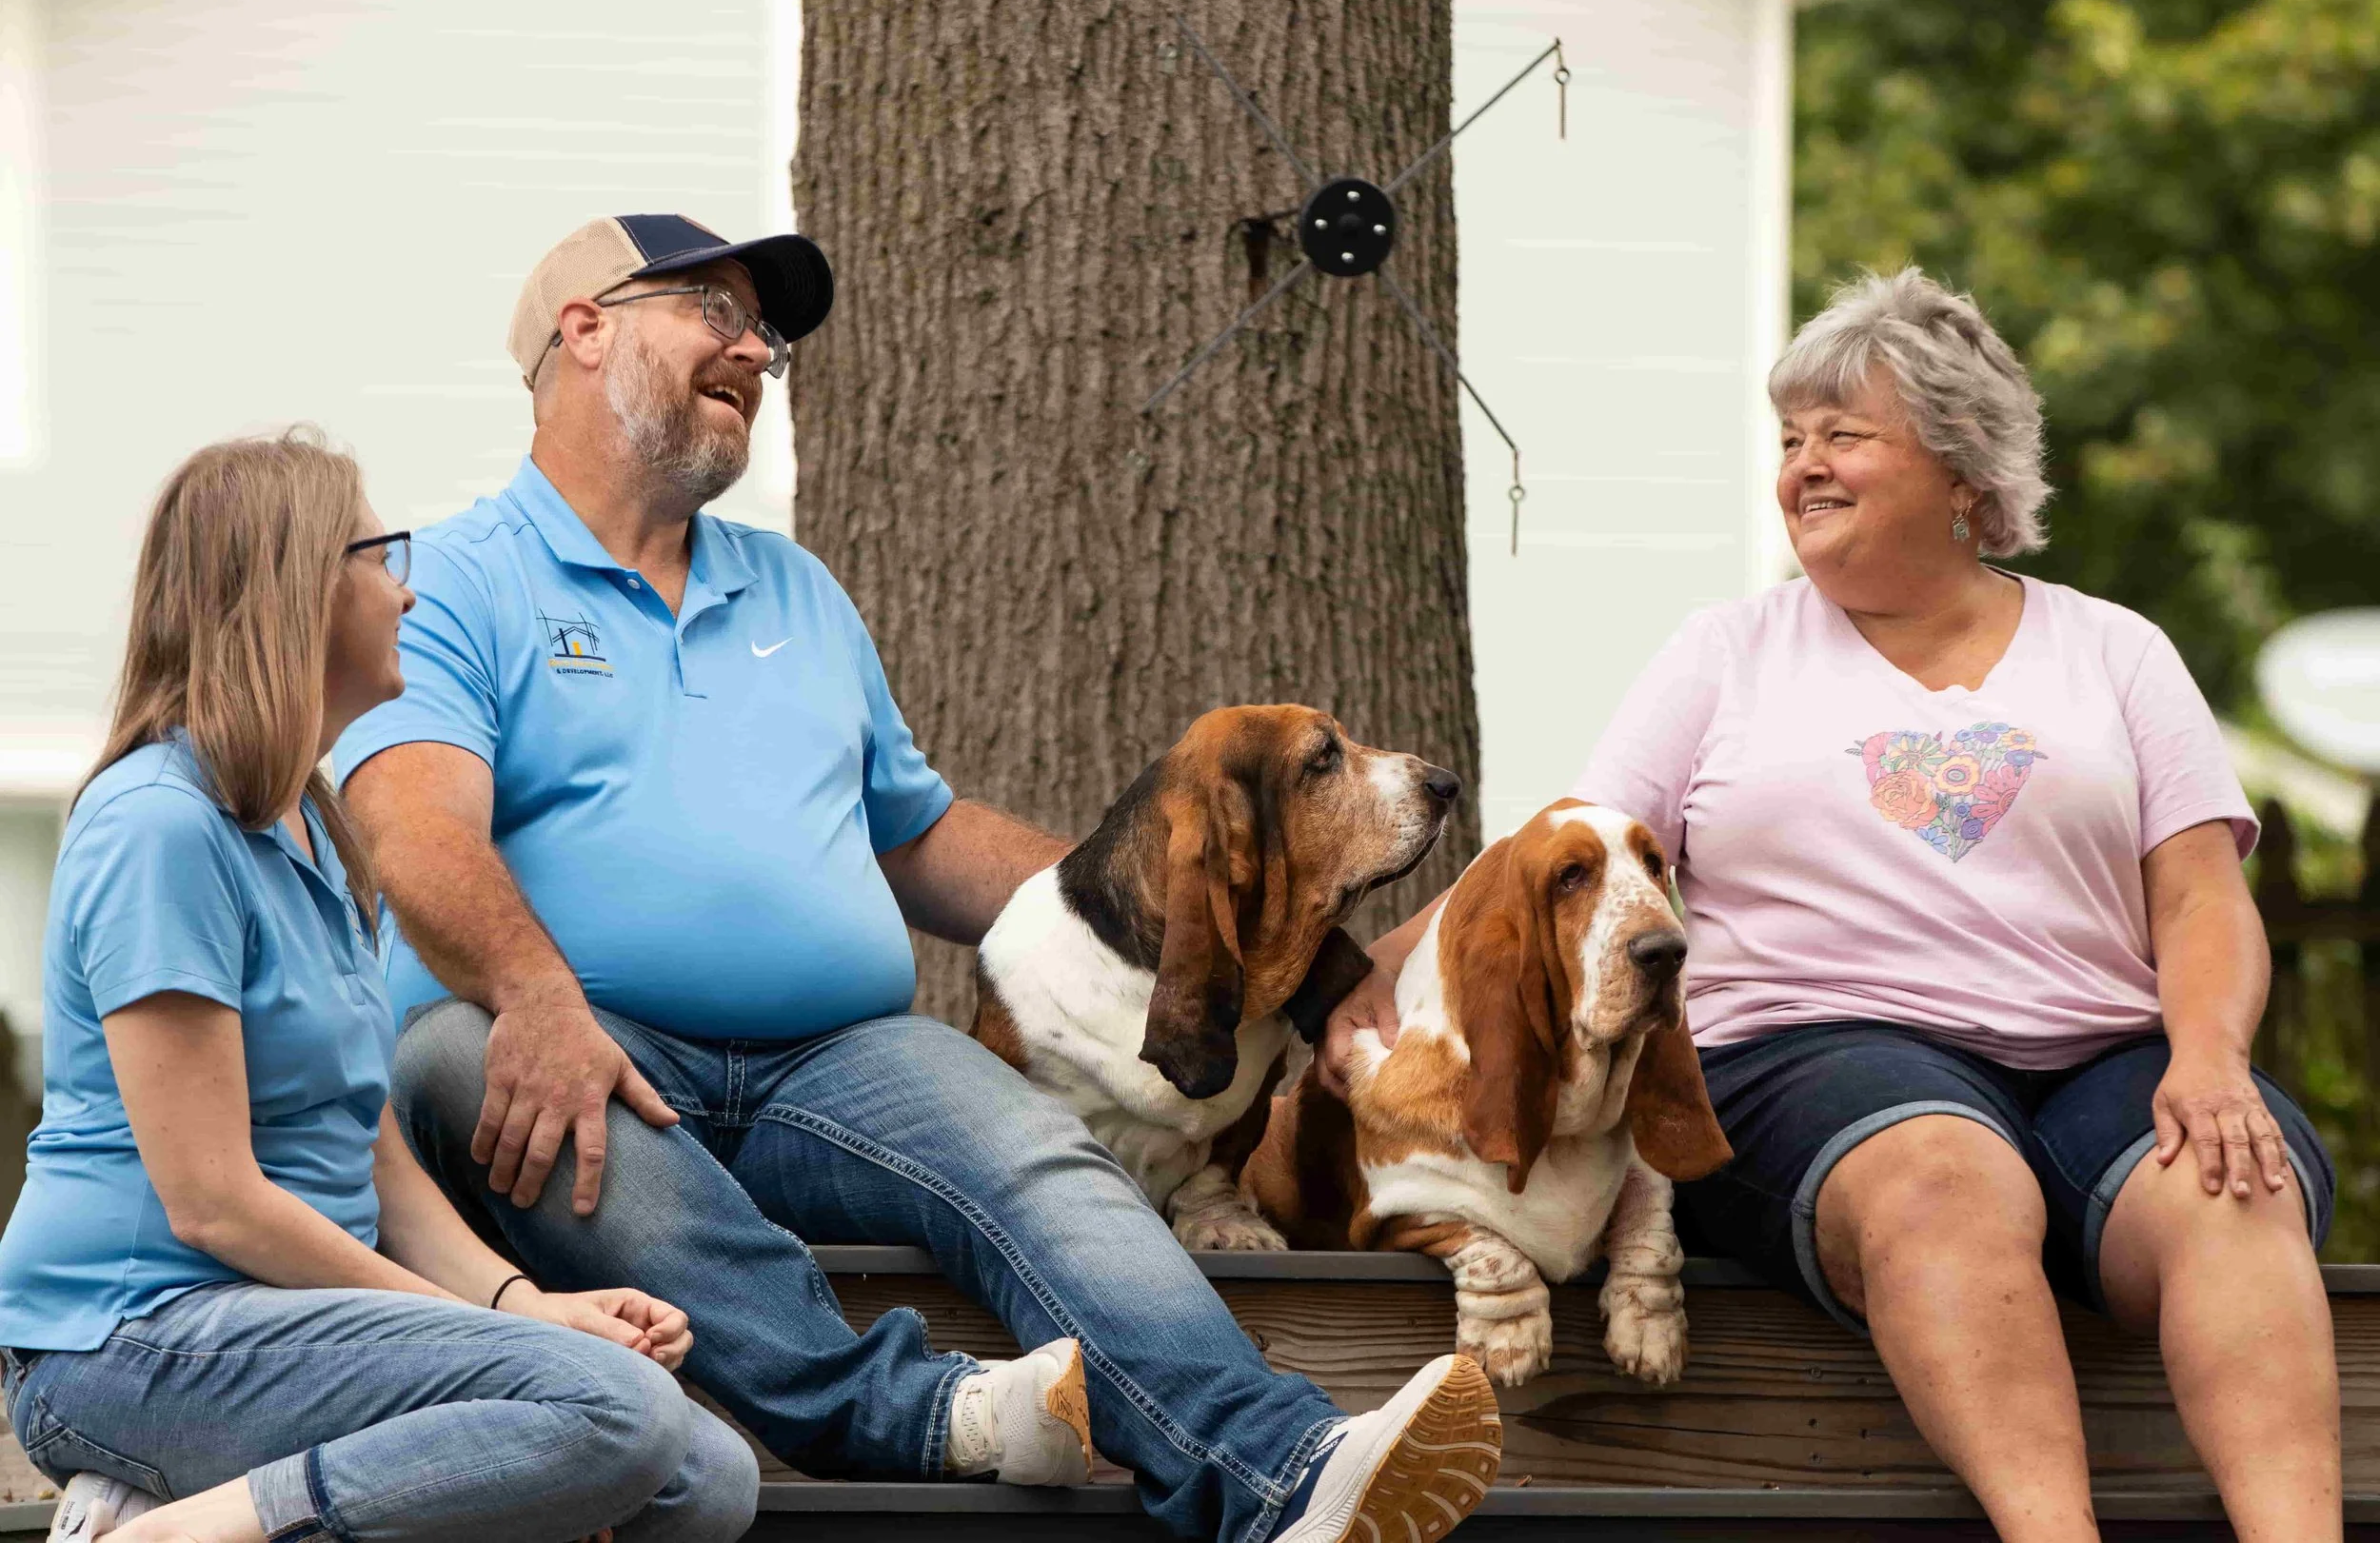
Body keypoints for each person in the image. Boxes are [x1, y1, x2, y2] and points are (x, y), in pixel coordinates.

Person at [333, 213, 1503, 1543]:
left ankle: (1280, 1467)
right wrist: (539, 997)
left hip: (829, 1059)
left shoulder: (799, 593)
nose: (753, 351)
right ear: (583, 329)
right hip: (567, 1050)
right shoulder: (452, 578)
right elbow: (415, 830)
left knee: (1037, 1150)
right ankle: (906, 1409)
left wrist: (1242, 949)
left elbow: (926, 840)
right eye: (711, 311)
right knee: (460, 1048)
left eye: (762, 333)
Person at [1323, 269, 2341, 1543]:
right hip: (1817, 1057)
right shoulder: (1726, 651)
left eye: (1843, 436)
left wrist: (2207, 1058)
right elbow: (1558, 853)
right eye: (1791, 440)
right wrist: (1367, 970)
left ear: (1964, 472)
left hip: (2101, 1049)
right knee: (1943, 1176)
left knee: (2228, 1178)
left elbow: (2198, 894)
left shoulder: (2115, 650)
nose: (1804, 466)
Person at [0, 431, 759, 1543]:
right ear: (299, 584)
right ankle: (172, 1535)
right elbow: (211, 1199)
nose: (406, 589)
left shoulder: (315, 831)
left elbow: (371, 1151)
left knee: (707, 1477)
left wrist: (522, 1308)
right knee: (613, 1408)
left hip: (296, 1324)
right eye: (380, 552)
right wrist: (501, 1346)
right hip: (132, 1336)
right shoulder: (159, 826)